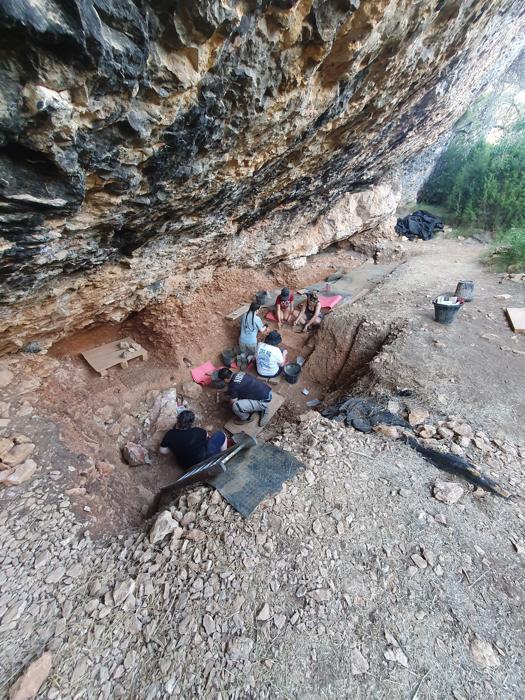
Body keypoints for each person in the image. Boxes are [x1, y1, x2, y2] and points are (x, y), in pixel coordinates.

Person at [159, 410, 227, 469]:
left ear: (178, 420)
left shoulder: (170, 434)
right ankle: (223, 458)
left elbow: (162, 451)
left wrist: (174, 446)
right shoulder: (198, 431)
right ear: (191, 423)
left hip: (186, 466)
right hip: (204, 460)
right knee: (221, 435)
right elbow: (206, 436)